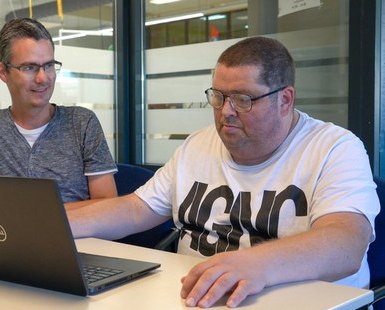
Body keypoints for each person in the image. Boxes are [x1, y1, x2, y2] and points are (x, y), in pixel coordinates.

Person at [68, 36, 380, 307]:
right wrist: (54, 225)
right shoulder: (199, 145)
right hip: (195, 298)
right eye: (218, 96)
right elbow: (135, 210)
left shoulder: (334, 148)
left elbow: (346, 243)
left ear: (285, 100)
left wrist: (255, 264)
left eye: (243, 99)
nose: (226, 111)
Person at [0, 18, 117, 209]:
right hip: (3, 238)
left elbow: (108, 205)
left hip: (76, 238)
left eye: (48, 65)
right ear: (2, 72)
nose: (43, 78)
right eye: (29, 67)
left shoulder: (82, 123)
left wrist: (37, 216)